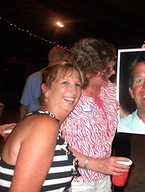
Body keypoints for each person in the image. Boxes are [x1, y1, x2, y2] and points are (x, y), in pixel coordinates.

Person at [0, 59, 84, 191]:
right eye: (65, 82)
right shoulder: (44, 125)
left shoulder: (42, 121)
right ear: (46, 89)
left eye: (78, 84)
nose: (73, 90)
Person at [60, 37, 131, 192]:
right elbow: (52, 143)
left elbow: (131, 119)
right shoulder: (68, 94)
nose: (113, 72)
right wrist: (96, 164)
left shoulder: (110, 90)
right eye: (108, 69)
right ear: (90, 72)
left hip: (103, 178)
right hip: (75, 181)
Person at [19, 46, 69, 118]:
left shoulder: (62, 80)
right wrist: (22, 126)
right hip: (34, 124)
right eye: (64, 62)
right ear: (56, 60)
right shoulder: (33, 79)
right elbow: (24, 107)